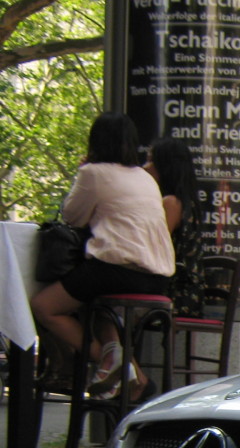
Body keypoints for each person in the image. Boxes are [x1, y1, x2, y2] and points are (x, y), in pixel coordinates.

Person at [30, 112, 174, 402]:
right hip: (157, 277)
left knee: (45, 306)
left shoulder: (93, 173)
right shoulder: (145, 179)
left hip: (115, 269)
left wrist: (82, 173)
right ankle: (131, 374)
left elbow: (73, 217)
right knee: (96, 308)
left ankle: (119, 365)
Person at [145, 136, 204, 319]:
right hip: (180, 290)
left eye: (150, 160)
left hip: (176, 294)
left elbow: (153, 245)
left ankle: (111, 345)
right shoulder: (185, 202)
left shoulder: (171, 203)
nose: (145, 167)